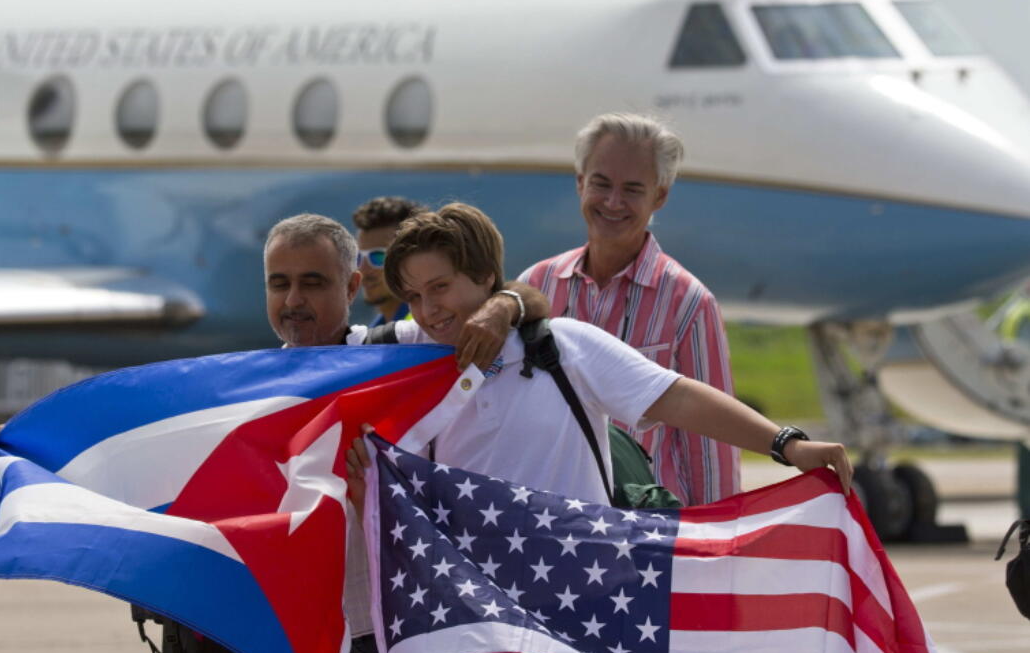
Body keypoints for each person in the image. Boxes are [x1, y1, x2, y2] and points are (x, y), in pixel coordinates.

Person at [250, 213, 549, 653]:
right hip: (288, 652)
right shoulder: (247, 393)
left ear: (352, 287)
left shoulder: (396, 357)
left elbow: (526, 298)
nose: (293, 298)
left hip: (378, 646)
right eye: (279, 282)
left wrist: (501, 306)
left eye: (312, 282)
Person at [344, 203, 852, 511]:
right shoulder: (405, 352)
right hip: (472, 613)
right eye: (413, 296)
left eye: (440, 288)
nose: (429, 310)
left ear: (483, 278)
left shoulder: (562, 346)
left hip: (579, 599)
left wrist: (787, 444)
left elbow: (680, 401)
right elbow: (310, 361)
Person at [518, 112, 739, 506]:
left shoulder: (689, 303)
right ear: (580, 182)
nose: (613, 202)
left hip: (646, 534)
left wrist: (715, 553)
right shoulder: (536, 285)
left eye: (633, 189)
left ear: (660, 195)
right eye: (601, 184)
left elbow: (711, 450)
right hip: (552, 530)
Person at [351, 196, 428, 326]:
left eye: (378, 256)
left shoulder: (432, 328)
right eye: (358, 257)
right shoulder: (373, 334)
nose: (363, 269)